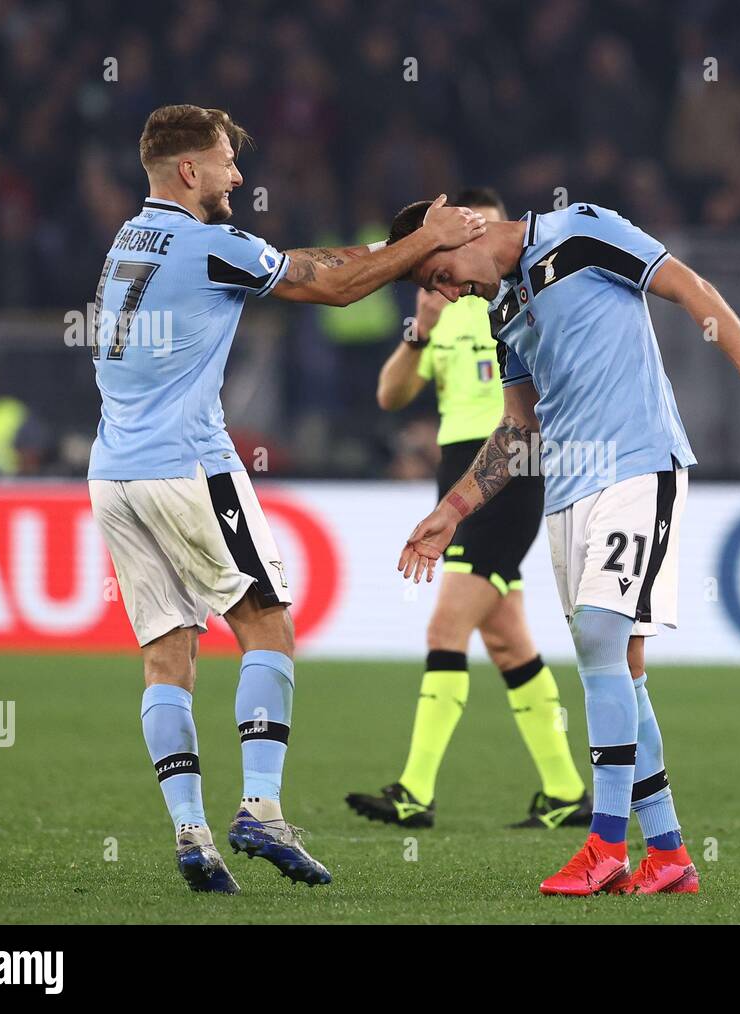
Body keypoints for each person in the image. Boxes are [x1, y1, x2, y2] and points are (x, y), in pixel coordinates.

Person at [86, 104, 485, 893]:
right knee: (266, 624)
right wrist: (423, 244)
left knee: (167, 654)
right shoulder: (209, 243)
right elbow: (332, 290)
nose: (240, 175)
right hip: (188, 467)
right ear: (190, 172)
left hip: (114, 472)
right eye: (227, 162)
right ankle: (261, 810)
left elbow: (301, 260)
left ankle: (192, 836)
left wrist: (387, 249)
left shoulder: (132, 239)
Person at [391, 199, 740, 895]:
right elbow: (518, 432)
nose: (447, 292)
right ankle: (671, 854)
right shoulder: (504, 313)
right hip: (566, 490)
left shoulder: (581, 230)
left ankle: (604, 844)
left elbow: (690, 288)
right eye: (433, 287)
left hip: (637, 464)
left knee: (599, 637)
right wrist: (452, 509)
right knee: (621, 663)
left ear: (464, 224)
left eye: (440, 273)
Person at [346, 187, 591, 831]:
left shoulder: (510, 303)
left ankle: (414, 792)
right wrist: (418, 338)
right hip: (457, 479)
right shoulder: (441, 306)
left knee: (444, 631)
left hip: (509, 472)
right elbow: (390, 396)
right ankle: (565, 793)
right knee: (508, 644)